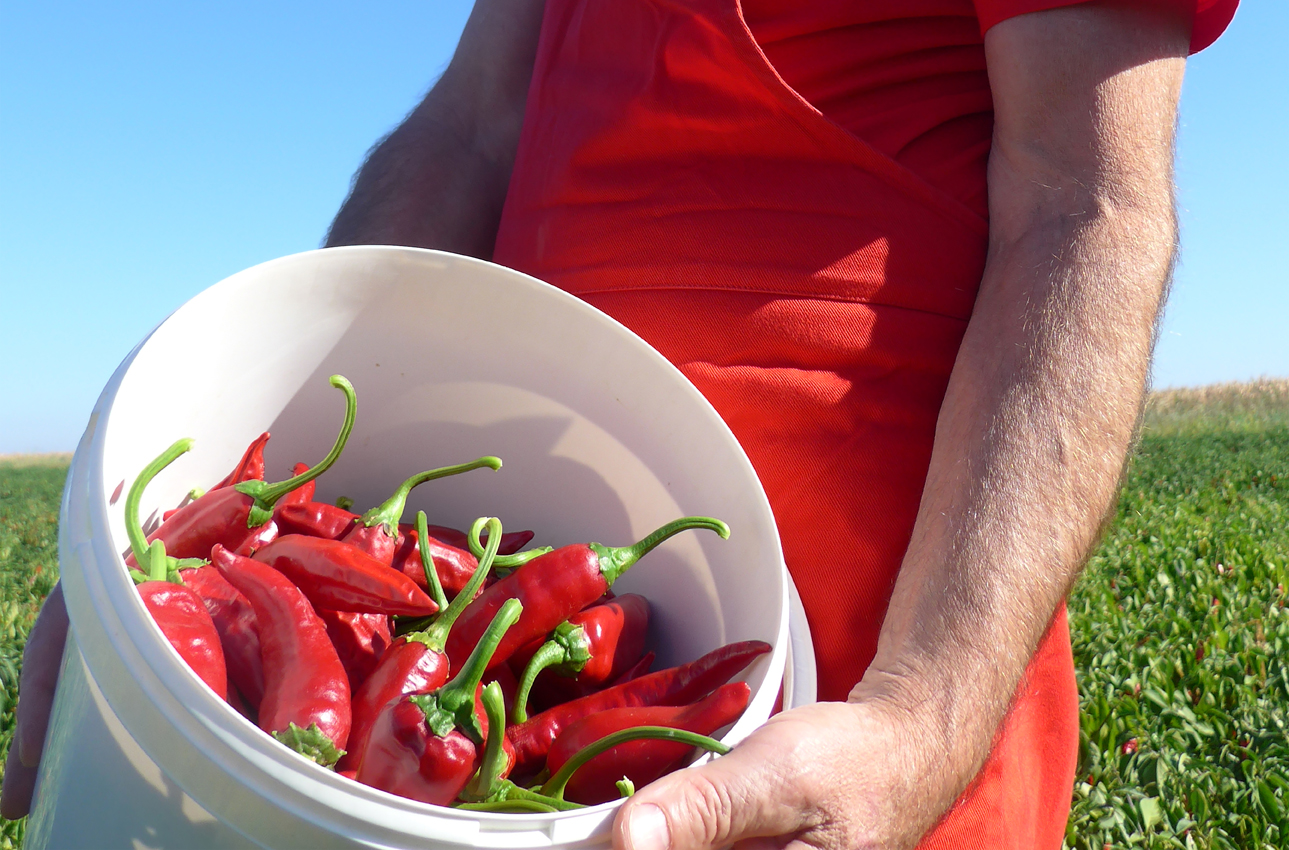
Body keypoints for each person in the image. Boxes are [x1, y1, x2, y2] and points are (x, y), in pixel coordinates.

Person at [3, 0, 1237, 846]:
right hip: (526, 726)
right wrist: (196, 563)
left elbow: (1085, 208)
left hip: (855, 729)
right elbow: (466, 129)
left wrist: (923, 719)